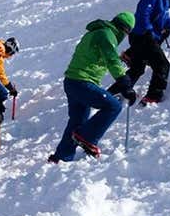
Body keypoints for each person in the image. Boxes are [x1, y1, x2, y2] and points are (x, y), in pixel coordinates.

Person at [48, 12, 137, 163]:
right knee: (113, 106)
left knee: (77, 120)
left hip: (72, 81)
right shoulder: (106, 35)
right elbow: (111, 59)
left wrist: (120, 60)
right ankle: (87, 137)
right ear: (125, 30)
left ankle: (62, 157)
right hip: (82, 82)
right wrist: (124, 82)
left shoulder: (98, 32)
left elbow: (99, 56)